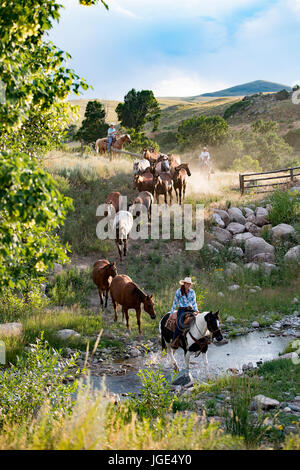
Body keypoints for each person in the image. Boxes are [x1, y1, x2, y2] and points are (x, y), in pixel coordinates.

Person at [170, 277, 198, 349]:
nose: (188, 285)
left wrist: (196, 310)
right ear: (184, 283)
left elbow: (194, 302)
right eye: (187, 283)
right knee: (180, 325)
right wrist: (171, 312)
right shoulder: (179, 291)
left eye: (189, 284)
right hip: (182, 310)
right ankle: (174, 341)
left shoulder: (192, 292)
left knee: (197, 321)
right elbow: (175, 302)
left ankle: (198, 339)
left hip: (190, 309)